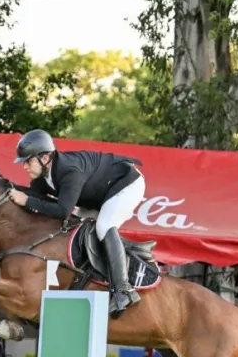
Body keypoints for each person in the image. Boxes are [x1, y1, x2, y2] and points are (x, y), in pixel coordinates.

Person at [11, 129, 145, 316]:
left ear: (45, 157)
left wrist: (25, 200)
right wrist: (7, 189)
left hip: (125, 184)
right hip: (97, 195)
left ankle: (124, 290)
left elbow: (62, 211)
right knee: (75, 230)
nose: (24, 166)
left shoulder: (69, 170)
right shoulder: (43, 175)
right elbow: (36, 197)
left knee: (104, 226)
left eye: (28, 161)